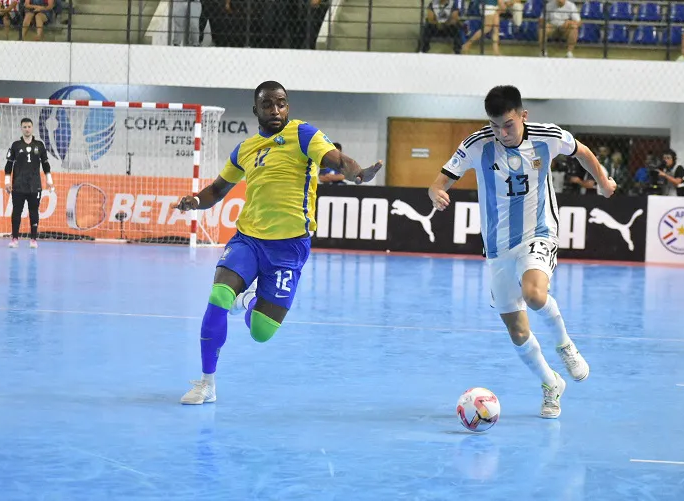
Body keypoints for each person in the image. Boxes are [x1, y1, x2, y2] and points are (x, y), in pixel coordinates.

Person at [176, 81, 382, 405]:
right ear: (255, 109)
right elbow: (216, 190)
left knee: (261, 332)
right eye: (269, 105)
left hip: (288, 250)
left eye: (282, 104)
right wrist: (194, 201)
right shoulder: (244, 149)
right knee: (218, 295)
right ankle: (207, 383)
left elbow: (336, 159)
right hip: (248, 240)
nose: (276, 110)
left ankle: (247, 303)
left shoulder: (303, 135)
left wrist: (357, 172)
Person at [427, 85, 616, 419]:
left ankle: (565, 345)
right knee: (517, 331)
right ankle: (550, 384)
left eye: (509, 124)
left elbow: (583, 152)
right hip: (498, 247)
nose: (502, 132)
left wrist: (601, 181)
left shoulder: (548, 136)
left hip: (538, 232)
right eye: (496, 125)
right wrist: (435, 193)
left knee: (533, 294)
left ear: (523, 116)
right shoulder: (477, 144)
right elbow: (440, 180)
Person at [4, 118, 54, 249]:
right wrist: (7, 182)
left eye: (29, 126)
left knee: (33, 212)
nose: (27, 129)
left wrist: (49, 180)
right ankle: (14, 239)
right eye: (24, 127)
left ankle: (33, 239)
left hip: (34, 185)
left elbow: (45, 164)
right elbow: (8, 165)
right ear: (21, 128)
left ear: (32, 128)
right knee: (16, 211)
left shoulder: (39, 145)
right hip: (18, 185)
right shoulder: (15, 145)